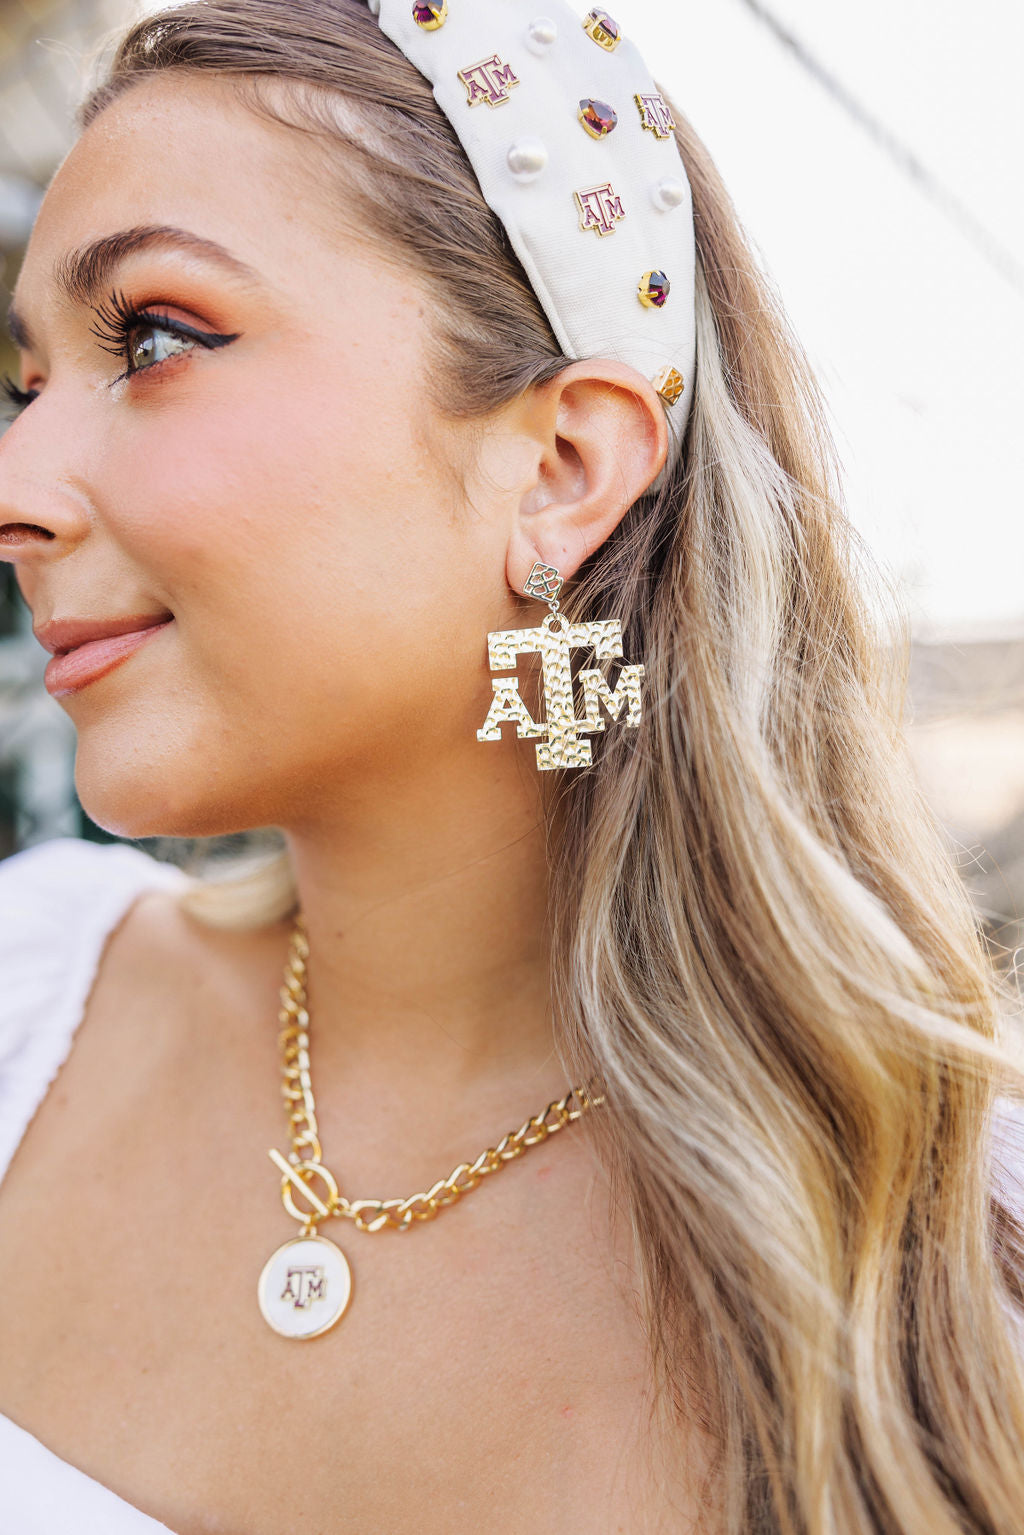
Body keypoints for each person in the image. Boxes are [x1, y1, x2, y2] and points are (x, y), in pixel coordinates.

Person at [0, 0, 1022, 1529]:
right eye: (26, 384)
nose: (16, 488)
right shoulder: (24, 995)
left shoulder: (960, 1271)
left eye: (153, 339)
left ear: (557, 473)